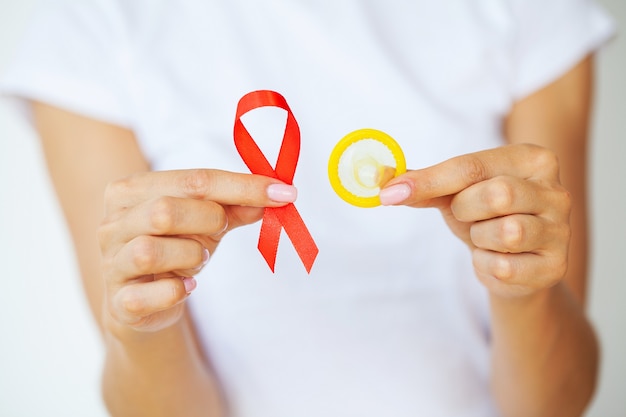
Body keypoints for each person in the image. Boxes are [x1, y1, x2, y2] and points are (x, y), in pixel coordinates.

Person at [0, 0, 615, 416]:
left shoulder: (534, 12)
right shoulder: (87, 22)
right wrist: (143, 325)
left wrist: (523, 288)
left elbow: (556, 402)